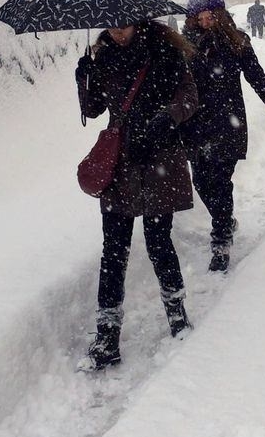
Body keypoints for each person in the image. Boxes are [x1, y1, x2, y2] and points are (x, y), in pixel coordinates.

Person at [75, 19, 199, 371]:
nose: (116, 33)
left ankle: (177, 316)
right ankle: (107, 337)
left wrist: (164, 120)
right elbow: (93, 109)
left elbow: (189, 98)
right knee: (112, 251)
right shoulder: (105, 58)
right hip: (121, 164)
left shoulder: (166, 54)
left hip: (159, 159)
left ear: (137, 22)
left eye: (122, 27)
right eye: (110, 28)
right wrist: (83, 79)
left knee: (159, 241)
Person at [181, 0, 265, 273]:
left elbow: (257, 78)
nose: (205, 21)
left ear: (220, 15)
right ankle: (225, 220)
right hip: (195, 125)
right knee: (201, 183)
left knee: (220, 181)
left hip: (228, 124)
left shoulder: (235, 42)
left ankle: (221, 241)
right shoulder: (183, 46)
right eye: (200, 17)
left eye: (210, 16)